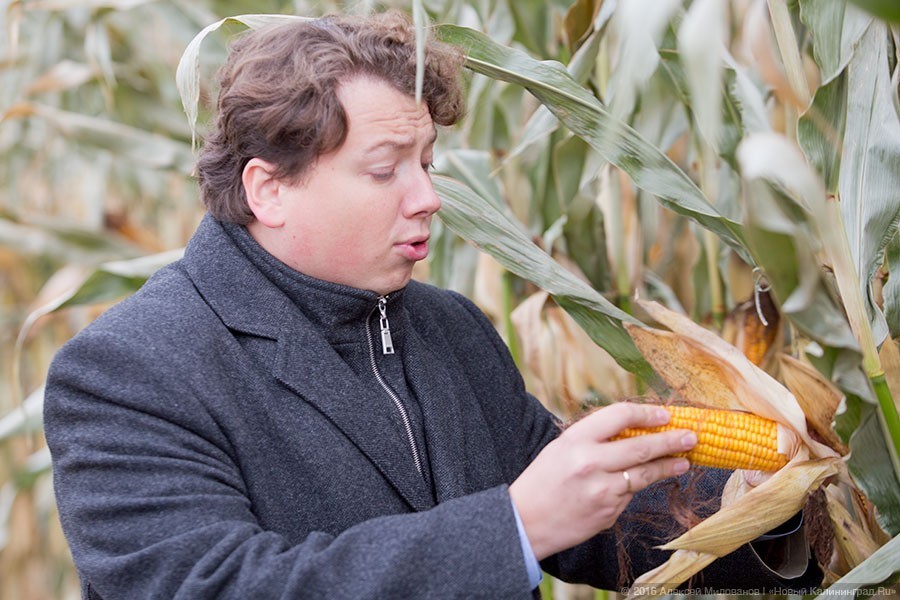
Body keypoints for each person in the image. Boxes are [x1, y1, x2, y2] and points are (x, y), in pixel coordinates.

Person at [44, 10, 821, 599]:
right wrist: (513, 529)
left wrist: (772, 504)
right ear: (269, 189)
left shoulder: (448, 328)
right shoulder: (130, 370)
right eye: (386, 170)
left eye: (428, 162)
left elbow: (585, 520)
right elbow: (218, 585)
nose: (428, 198)